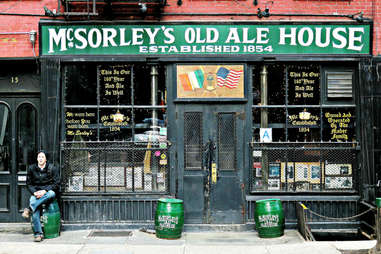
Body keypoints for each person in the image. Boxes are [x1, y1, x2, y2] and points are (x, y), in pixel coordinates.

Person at [22, 150, 60, 242]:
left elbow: (56, 184)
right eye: (39, 157)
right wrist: (35, 193)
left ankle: (30, 208)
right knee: (35, 208)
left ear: (46, 159)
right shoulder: (31, 168)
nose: (41, 159)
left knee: (51, 193)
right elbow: (29, 184)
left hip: (47, 194)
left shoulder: (52, 168)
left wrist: (44, 190)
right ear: (37, 158)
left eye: (42, 157)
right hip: (37, 194)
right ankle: (38, 234)